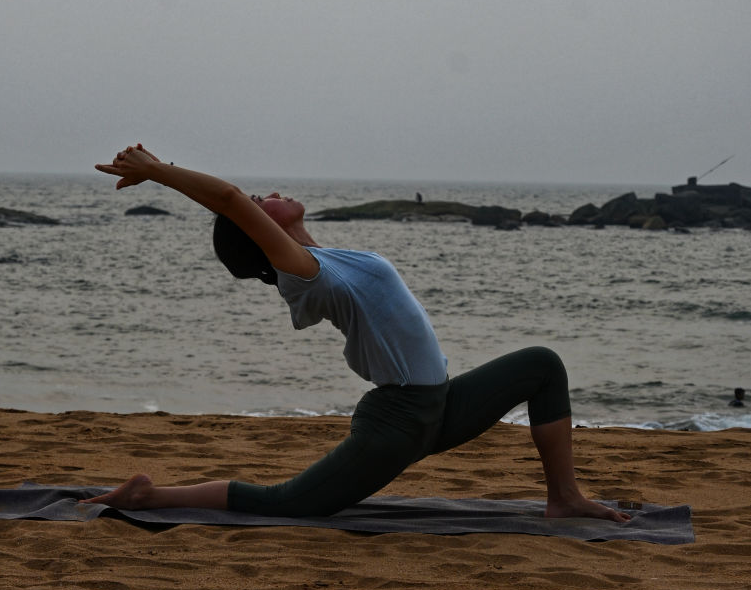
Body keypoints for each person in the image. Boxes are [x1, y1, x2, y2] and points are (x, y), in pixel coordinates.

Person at [83, 144, 628, 523]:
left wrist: (166, 168)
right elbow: (227, 200)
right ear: (262, 232)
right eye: (259, 203)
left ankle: (564, 497)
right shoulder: (303, 274)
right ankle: (150, 495)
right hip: (398, 422)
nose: (266, 193)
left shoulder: (323, 257)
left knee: (543, 365)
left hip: (441, 404)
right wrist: (157, 173)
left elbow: (235, 205)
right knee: (288, 503)